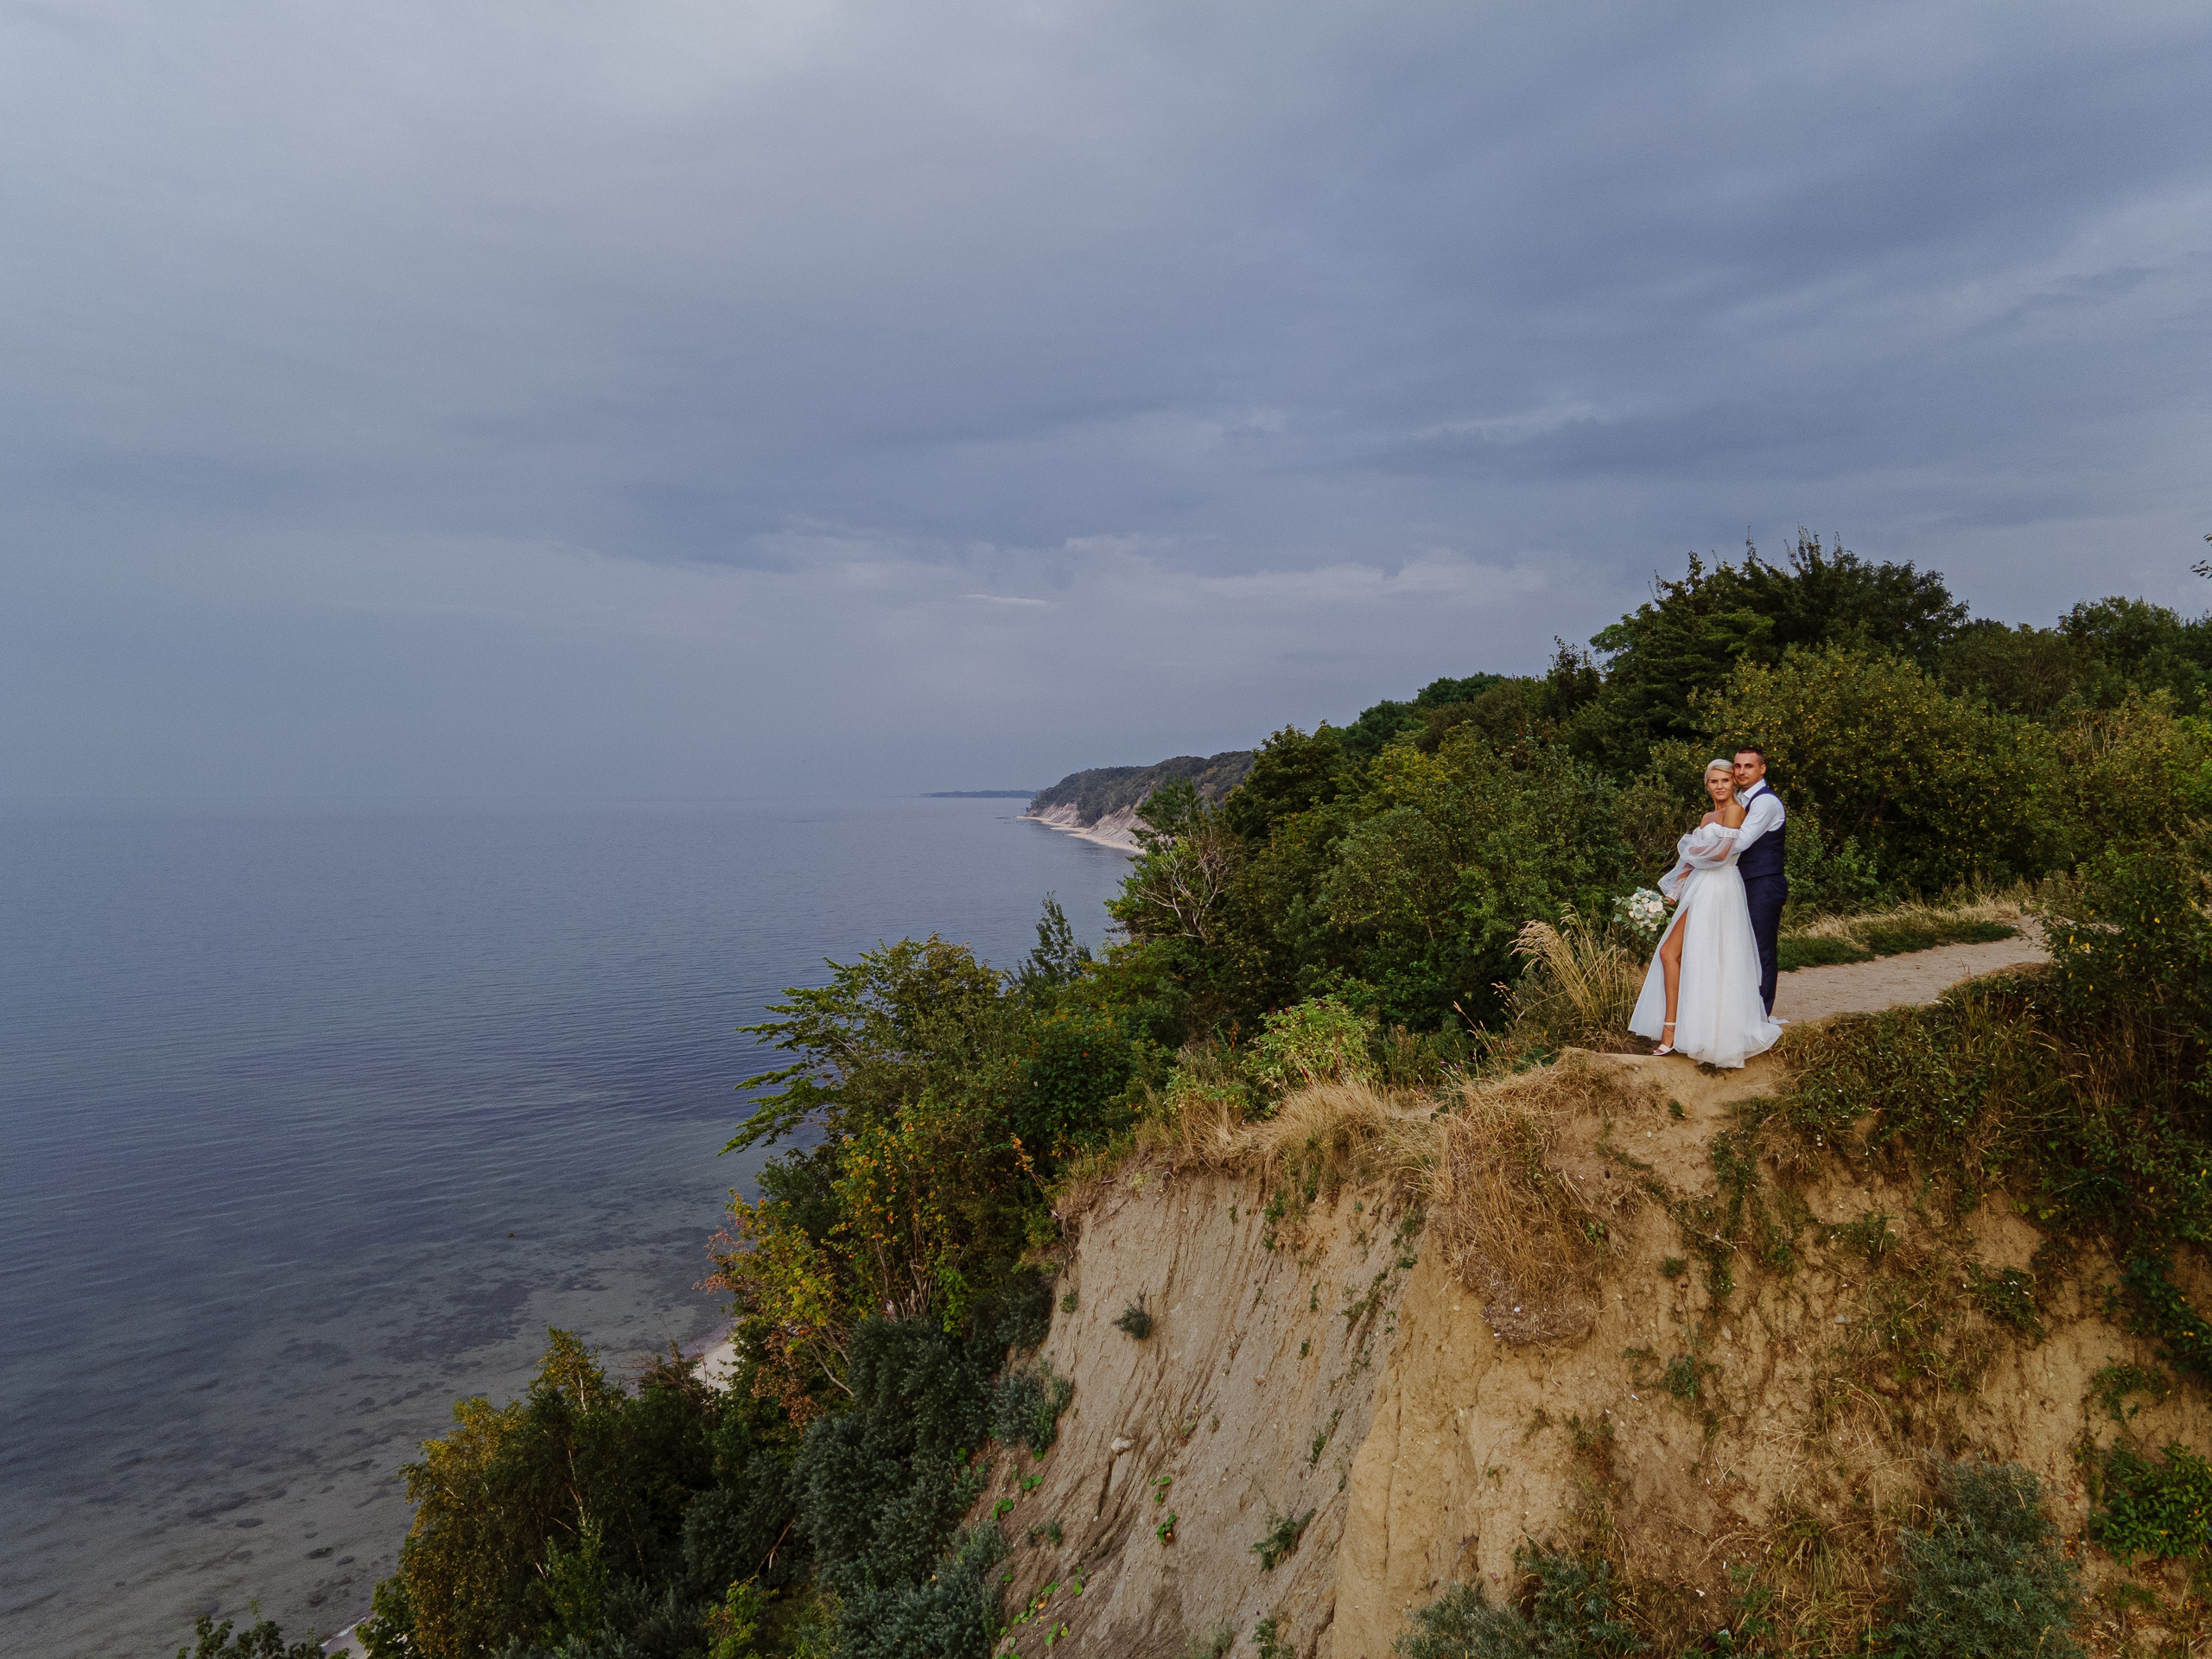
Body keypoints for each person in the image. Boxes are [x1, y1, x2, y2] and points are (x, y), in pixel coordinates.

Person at [1626, 760, 1784, 1068]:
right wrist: (1671, 893)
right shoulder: (1708, 816)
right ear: (1707, 785)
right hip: (1699, 885)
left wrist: (1690, 850)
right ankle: (1673, 1028)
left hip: (1720, 886)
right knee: (1674, 954)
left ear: (1734, 784)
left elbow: (1721, 854)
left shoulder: (1736, 810)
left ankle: (1686, 1033)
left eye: (1726, 780)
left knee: (1690, 954)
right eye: (1714, 781)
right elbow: (1689, 862)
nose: (1721, 786)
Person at [1732, 745, 1788, 1016]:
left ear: (1762, 769)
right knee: (1742, 947)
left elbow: (1741, 841)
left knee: (1761, 948)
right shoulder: (1740, 800)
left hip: (1764, 882)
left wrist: (1702, 844)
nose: (1741, 771)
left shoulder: (1765, 801)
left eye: (1748, 766)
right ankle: (1743, 1010)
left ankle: (1760, 1016)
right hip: (1743, 882)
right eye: (1738, 766)